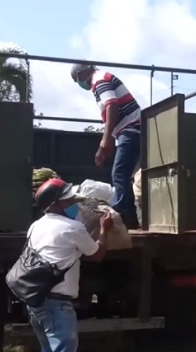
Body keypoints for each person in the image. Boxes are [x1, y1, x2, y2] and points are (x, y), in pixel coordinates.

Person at [15, 178, 113, 352]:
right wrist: (104, 229)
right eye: (69, 199)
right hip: (58, 303)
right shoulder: (73, 227)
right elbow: (96, 255)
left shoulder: (35, 226)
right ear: (57, 203)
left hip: (36, 301)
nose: (73, 203)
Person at [70, 63, 141, 229]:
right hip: (129, 129)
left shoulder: (99, 79)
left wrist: (106, 139)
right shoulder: (100, 80)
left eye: (77, 79)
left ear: (83, 72)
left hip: (131, 128)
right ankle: (130, 219)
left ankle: (123, 216)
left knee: (119, 173)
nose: (80, 84)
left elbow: (112, 104)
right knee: (124, 174)